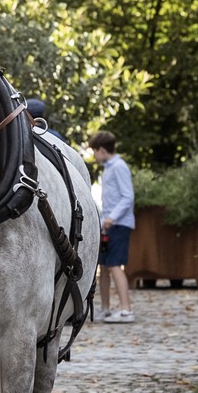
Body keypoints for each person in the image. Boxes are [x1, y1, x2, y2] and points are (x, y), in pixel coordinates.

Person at [88, 131, 134, 323]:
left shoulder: (118, 167)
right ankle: (105, 308)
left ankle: (126, 310)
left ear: (101, 150)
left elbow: (128, 196)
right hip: (108, 225)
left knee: (115, 265)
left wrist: (112, 218)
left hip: (119, 224)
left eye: (94, 152)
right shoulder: (108, 167)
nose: (94, 156)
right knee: (104, 266)